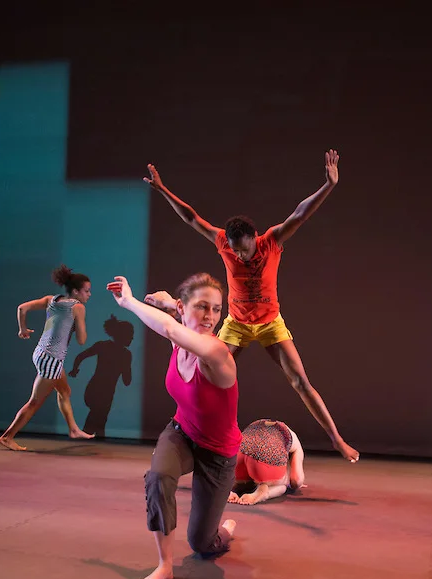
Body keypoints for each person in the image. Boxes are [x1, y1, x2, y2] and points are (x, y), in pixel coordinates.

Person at [143, 150, 359, 464]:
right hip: (237, 324)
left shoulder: (271, 241)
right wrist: (163, 190)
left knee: (300, 381)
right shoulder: (223, 242)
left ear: (253, 238)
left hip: (270, 322)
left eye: (243, 250)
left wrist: (328, 186)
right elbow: (192, 218)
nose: (239, 256)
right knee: (203, 374)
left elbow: (299, 214)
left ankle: (337, 440)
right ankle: (180, 436)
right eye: (234, 251)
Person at [107, 272, 240, 579]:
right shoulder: (180, 336)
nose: (210, 317)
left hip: (218, 454)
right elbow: (173, 322)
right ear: (184, 308)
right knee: (158, 478)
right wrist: (168, 303)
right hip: (182, 432)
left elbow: (170, 326)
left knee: (202, 544)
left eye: (216, 309)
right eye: (202, 307)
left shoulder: (216, 353)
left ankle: (225, 530)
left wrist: (129, 302)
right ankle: (164, 565)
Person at [0, 265, 94, 451]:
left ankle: (73, 429)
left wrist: (22, 329)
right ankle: (7, 437)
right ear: (76, 292)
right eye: (87, 291)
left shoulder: (52, 299)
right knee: (34, 402)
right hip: (51, 359)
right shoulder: (78, 308)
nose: (89, 295)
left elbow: (22, 308)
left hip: (41, 353)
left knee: (64, 391)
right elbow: (82, 340)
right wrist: (78, 323)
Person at [69, 314, 135, 438]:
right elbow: (127, 381)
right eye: (130, 335)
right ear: (123, 336)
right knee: (98, 417)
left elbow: (80, 356)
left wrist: (74, 369)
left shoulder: (104, 346)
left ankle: (91, 439)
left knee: (100, 420)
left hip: (98, 391)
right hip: (100, 393)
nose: (132, 338)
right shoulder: (125, 355)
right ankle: (86, 437)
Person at [228, 419, 307, 505]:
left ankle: (230, 489)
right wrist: (288, 480)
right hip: (264, 456)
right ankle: (264, 492)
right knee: (282, 487)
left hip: (240, 452)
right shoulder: (292, 437)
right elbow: (296, 481)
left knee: (242, 481)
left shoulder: (257, 424)